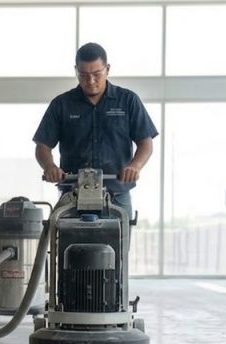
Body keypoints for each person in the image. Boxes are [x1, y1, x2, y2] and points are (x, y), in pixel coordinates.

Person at [33, 42, 158, 220]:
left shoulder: (128, 101)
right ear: (76, 71)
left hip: (116, 196)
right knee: (65, 246)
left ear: (107, 69)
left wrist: (134, 166)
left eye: (96, 74)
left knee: (119, 246)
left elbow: (146, 143)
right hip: (72, 197)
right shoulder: (61, 104)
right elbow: (42, 145)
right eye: (83, 75)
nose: (90, 81)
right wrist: (50, 167)